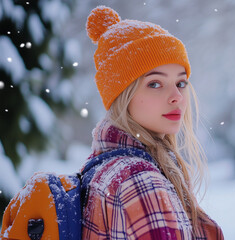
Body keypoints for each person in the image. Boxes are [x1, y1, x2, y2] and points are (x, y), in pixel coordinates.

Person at [82, 6, 224, 239]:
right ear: (122, 95)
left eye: (181, 83)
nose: (177, 96)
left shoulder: (103, 169)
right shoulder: (140, 181)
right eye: (155, 84)